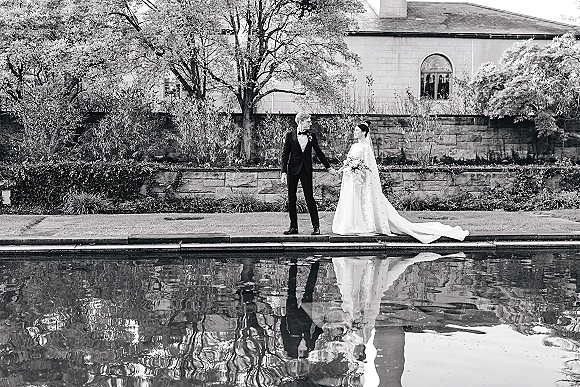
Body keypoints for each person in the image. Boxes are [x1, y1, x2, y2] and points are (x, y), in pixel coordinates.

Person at [332, 121, 469, 243]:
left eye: (357, 130)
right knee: (351, 201)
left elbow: (369, 167)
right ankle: (350, 225)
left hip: (360, 179)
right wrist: (340, 170)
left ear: (364, 132)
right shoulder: (354, 146)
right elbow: (349, 162)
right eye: (354, 130)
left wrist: (360, 173)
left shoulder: (366, 148)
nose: (354, 132)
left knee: (361, 201)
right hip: (350, 179)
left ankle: (364, 225)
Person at [281, 112, 336, 235]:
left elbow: (319, 152)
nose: (310, 123)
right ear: (300, 121)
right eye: (308, 121)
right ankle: (293, 227)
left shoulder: (312, 135)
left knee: (309, 197)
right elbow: (285, 154)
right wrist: (283, 172)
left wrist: (328, 167)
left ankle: (316, 227)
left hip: (306, 170)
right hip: (292, 170)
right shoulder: (290, 135)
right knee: (291, 198)